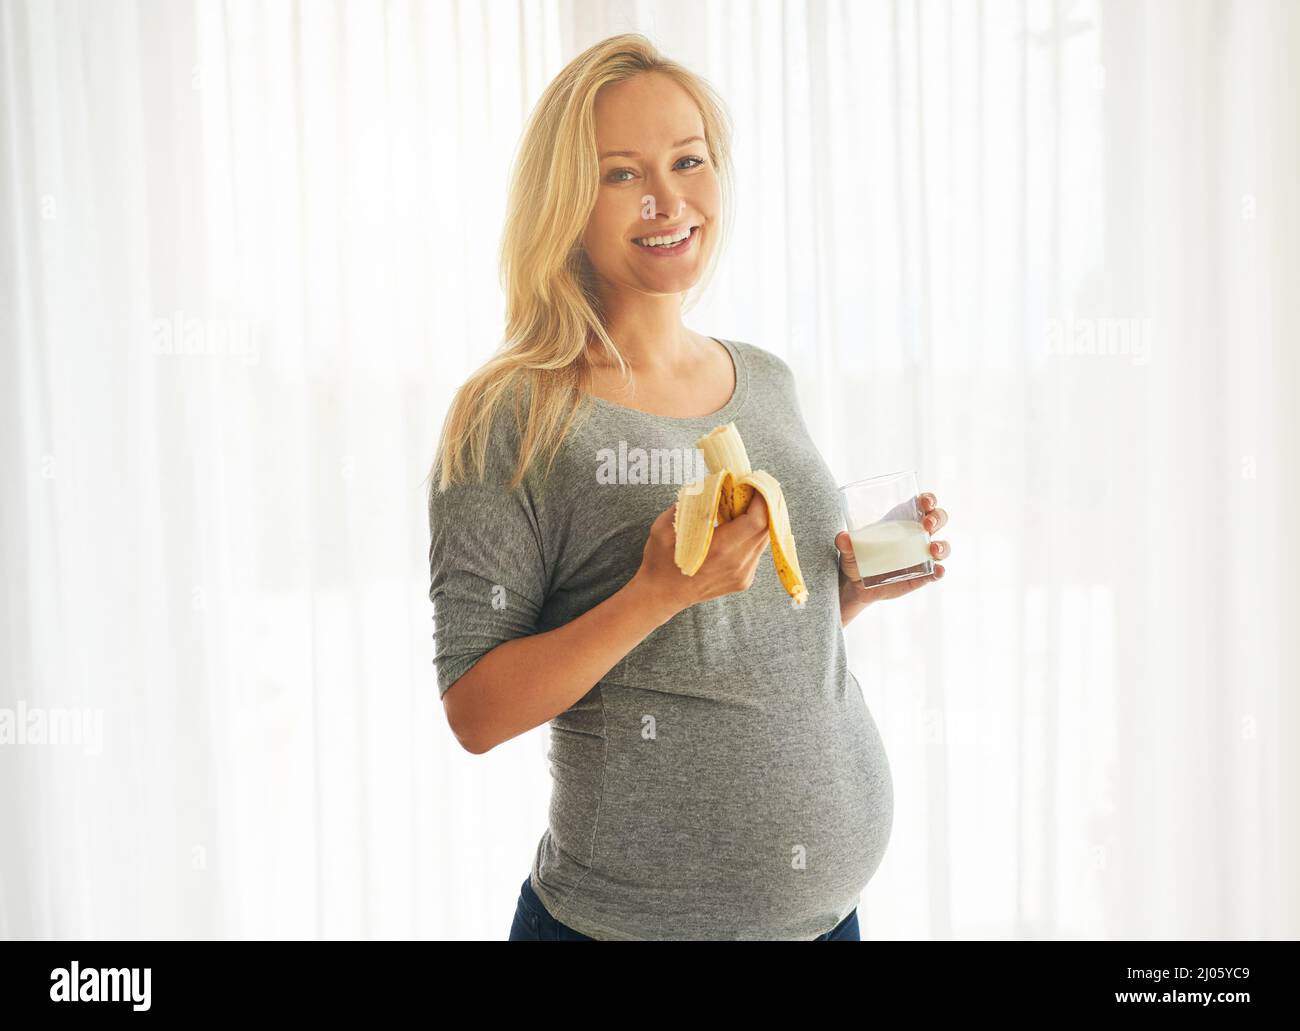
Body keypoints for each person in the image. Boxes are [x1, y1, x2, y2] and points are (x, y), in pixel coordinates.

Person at [426, 33, 952, 941]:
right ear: (567, 202)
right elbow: (475, 707)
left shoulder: (765, 378)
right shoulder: (515, 412)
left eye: (689, 159)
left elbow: (732, 636)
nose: (668, 199)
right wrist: (654, 592)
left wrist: (846, 592)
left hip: (826, 922)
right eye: (622, 173)